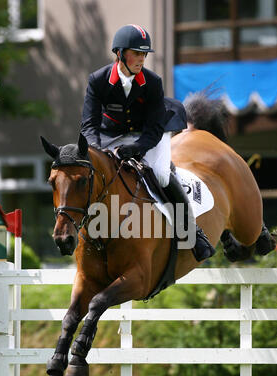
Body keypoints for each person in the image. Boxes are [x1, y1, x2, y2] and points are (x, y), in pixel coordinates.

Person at [81, 24, 215, 262]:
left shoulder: (152, 82)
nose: (142, 59)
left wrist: (138, 148)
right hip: (112, 136)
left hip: (150, 133)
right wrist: (98, 152)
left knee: (162, 174)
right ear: (120, 54)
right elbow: (89, 125)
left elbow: (154, 127)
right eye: (137, 53)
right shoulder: (98, 80)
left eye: (144, 54)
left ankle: (192, 232)